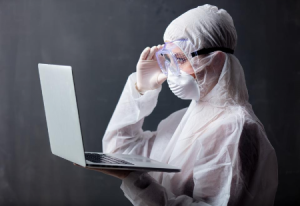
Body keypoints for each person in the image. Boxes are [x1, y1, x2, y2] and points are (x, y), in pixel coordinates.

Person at [79, 4, 278, 206]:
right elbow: (118, 152)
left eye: (179, 58)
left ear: (216, 60)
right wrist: (141, 89)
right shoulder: (182, 120)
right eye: (168, 58)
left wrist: (136, 180)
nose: (171, 69)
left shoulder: (233, 129)